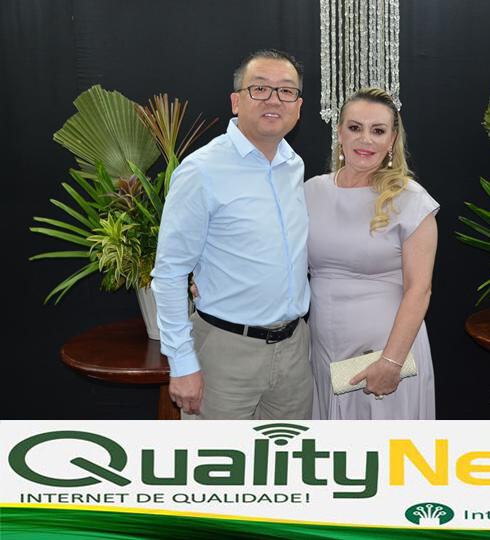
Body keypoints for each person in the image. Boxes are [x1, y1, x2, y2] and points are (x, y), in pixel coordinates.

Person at [151, 49, 313, 419]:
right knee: (219, 458)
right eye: (260, 88)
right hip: (225, 353)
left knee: (290, 455)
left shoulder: (293, 165)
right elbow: (170, 271)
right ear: (236, 101)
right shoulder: (201, 170)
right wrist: (181, 362)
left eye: (286, 91)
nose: (274, 99)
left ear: (298, 106)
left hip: (293, 351)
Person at [304, 87, 439, 419]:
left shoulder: (411, 200)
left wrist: (391, 362)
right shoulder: (310, 192)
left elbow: (419, 290)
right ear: (339, 133)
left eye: (378, 131)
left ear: (392, 140)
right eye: (355, 127)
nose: (365, 139)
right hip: (323, 354)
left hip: (386, 357)